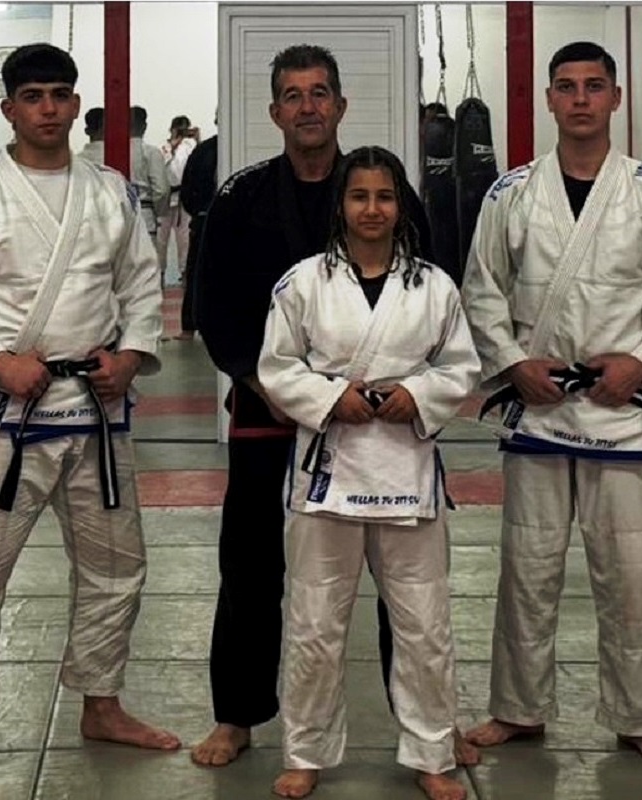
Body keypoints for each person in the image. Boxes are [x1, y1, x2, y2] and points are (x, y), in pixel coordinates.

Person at [0, 43, 180, 784]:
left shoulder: (110, 192)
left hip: (95, 410)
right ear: (9, 108)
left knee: (116, 569)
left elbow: (139, 284)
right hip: (12, 414)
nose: (49, 109)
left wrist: (131, 357)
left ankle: (102, 704)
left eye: (60, 95)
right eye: (33, 96)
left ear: (75, 104)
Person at [192, 43, 449, 769]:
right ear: (275, 111)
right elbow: (214, 308)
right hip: (269, 412)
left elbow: (427, 295)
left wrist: (405, 392)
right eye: (293, 95)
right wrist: (266, 384)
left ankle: (423, 725)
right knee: (250, 566)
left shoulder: (383, 190)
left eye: (319, 93)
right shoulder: (241, 198)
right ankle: (238, 713)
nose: (307, 107)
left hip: (378, 424)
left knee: (403, 581)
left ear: (339, 105)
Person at [460, 41, 642, 764]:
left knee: (629, 574)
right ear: (548, 99)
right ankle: (517, 708)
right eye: (566, 87)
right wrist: (514, 364)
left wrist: (641, 363)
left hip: (619, 407)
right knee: (527, 567)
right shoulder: (510, 193)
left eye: (593, 86)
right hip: (539, 405)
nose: (579, 99)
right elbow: (481, 288)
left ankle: (639, 714)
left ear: (616, 98)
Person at [260, 146, 479, 800]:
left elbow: (460, 366)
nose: (373, 209)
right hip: (329, 472)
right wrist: (331, 399)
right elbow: (277, 367)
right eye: (360, 196)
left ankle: (432, 751)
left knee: (424, 622)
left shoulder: (434, 286)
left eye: (385, 196)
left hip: (405, 469)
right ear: (342, 205)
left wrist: (420, 394)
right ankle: (306, 751)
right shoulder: (302, 282)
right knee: (314, 621)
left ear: (400, 204)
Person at [176, 119, 219, 340]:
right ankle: (190, 325)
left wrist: (197, 212)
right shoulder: (204, 150)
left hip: (203, 218)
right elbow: (188, 187)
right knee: (196, 274)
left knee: (196, 275)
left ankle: (189, 327)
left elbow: (187, 188)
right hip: (205, 219)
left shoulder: (203, 150)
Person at [156, 114, 198, 281]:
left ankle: (185, 274)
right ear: (171, 130)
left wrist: (196, 139)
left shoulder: (191, 146)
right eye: (177, 129)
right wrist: (172, 149)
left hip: (183, 198)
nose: (180, 132)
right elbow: (162, 169)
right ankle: (159, 274)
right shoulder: (164, 148)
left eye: (183, 129)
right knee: (161, 240)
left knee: (184, 240)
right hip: (166, 198)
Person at [130, 105, 171, 257]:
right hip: (145, 215)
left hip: (117, 218)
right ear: (144, 126)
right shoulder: (151, 153)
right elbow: (161, 190)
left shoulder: (113, 151)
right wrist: (158, 213)